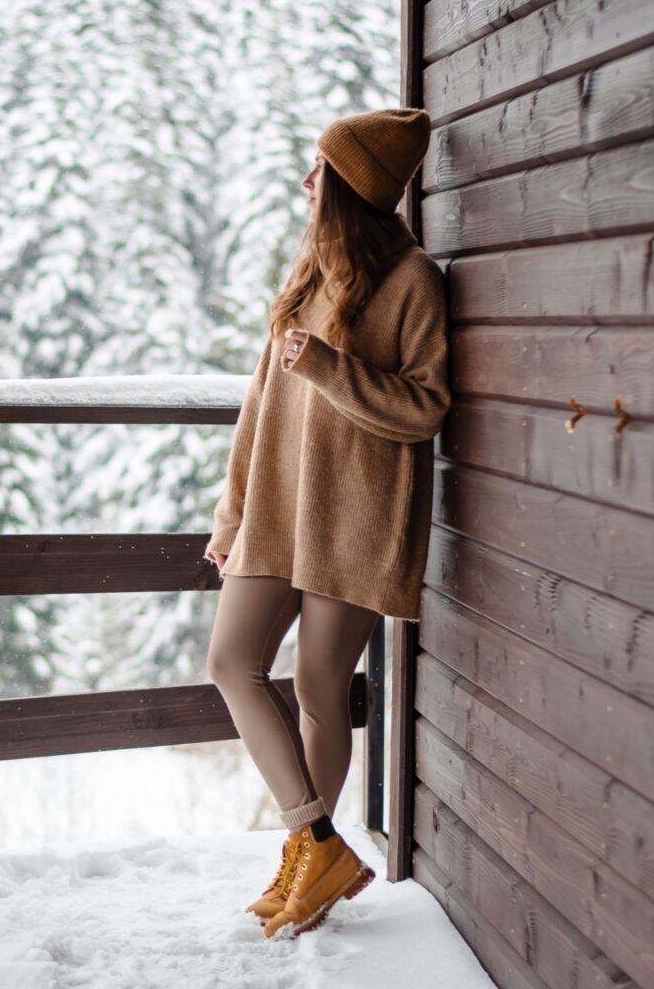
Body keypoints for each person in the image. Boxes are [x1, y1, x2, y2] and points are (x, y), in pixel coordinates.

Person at [202, 107, 449, 939]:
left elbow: (425, 408)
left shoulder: (414, 280)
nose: (306, 182)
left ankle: (309, 860)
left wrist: (336, 370)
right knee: (231, 662)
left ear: (349, 188)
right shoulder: (308, 270)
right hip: (275, 513)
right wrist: (231, 513)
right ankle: (316, 839)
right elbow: (259, 408)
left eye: (319, 170)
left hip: (354, 519)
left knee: (316, 690)